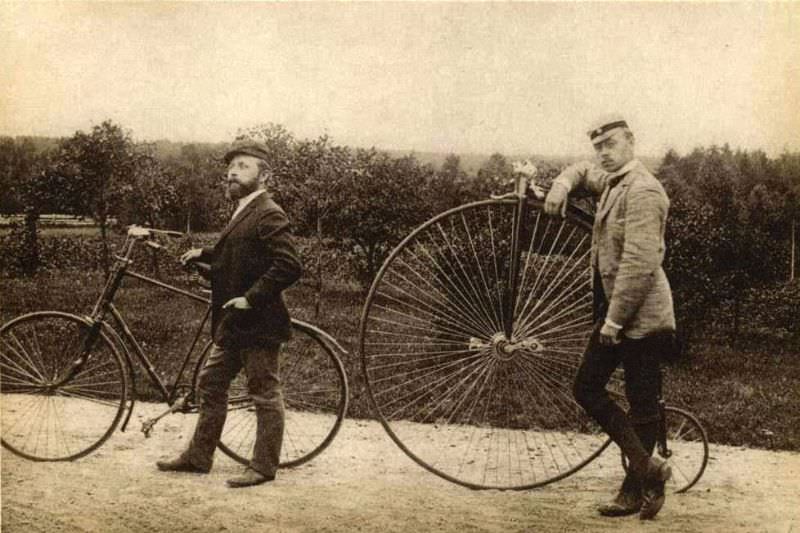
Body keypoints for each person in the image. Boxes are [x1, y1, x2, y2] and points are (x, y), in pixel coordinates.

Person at [544, 116, 676, 520]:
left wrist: (614, 322)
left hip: (641, 316)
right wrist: (562, 184)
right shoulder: (614, 182)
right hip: (614, 310)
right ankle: (648, 468)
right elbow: (584, 171)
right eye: (598, 146)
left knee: (642, 402)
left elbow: (640, 264)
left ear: (631, 142)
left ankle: (634, 490)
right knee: (586, 388)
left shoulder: (644, 191)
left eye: (612, 143)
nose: (604, 152)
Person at [156, 142, 302, 488]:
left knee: (264, 392)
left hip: (259, 323)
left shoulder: (269, 212)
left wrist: (250, 299)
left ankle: (263, 467)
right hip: (234, 323)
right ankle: (198, 456)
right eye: (231, 166)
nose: (232, 172)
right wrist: (204, 254)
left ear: (264, 176)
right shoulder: (243, 210)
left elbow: (289, 265)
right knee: (211, 382)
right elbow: (242, 256)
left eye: (243, 166)